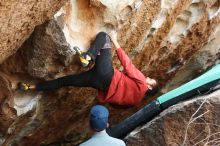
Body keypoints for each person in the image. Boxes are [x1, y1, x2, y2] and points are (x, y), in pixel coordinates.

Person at [17, 31, 158, 106]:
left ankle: (88, 57)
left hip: (106, 74)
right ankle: (31, 87)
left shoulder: (141, 82)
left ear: (150, 88)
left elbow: (128, 65)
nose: (148, 78)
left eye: (151, 80)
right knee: (64, 82)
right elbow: (116, 106)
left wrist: (115, 40)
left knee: (104, 37)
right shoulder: (134, 102)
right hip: (98, 84)